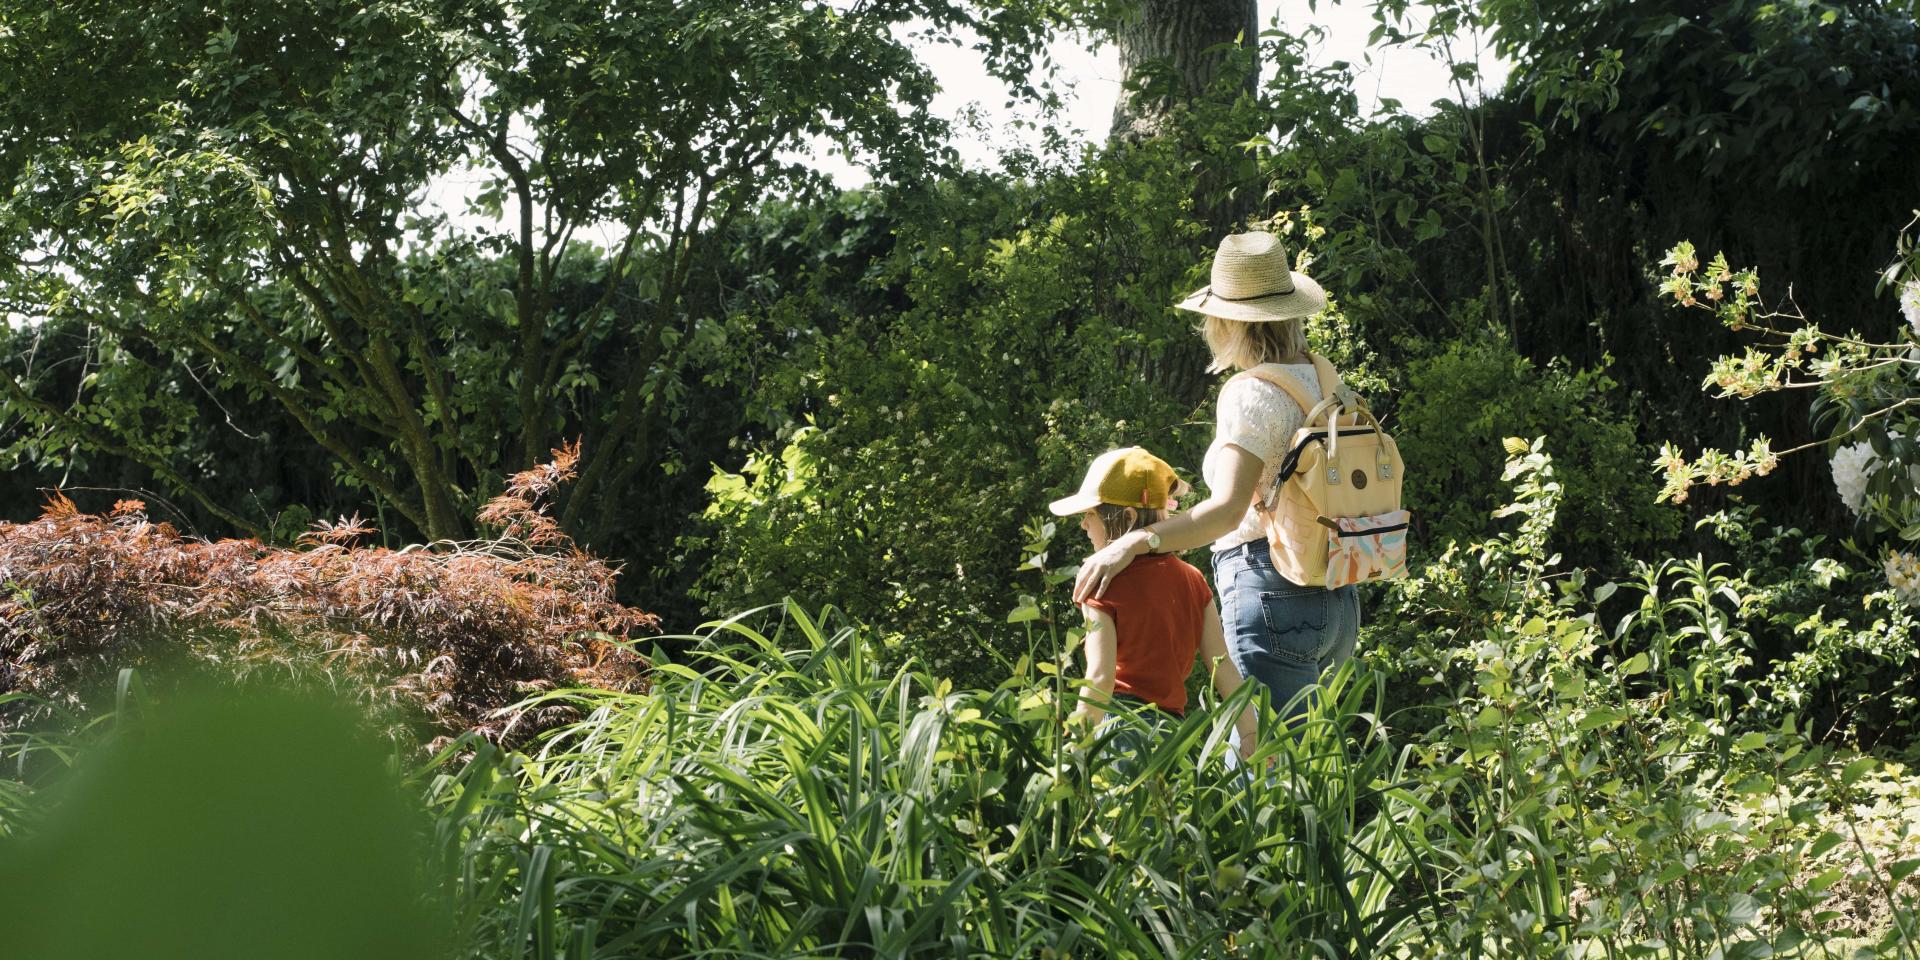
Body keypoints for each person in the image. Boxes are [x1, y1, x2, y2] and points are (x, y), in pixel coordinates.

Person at [1072, 232, 1362, 733]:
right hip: (1338, 591)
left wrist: (1133, 545)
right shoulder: (1326, 379)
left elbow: (1227, 510)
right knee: (1316, 769)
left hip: (1272, 587)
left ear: (1228, 321)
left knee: (1264, 773)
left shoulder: (1251, 392)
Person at [1049, 447, 1257, 770]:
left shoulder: (1101, 583)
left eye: (1090, 514)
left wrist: (1074, 745)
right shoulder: (1193, 580)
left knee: (1120, 820)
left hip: (1120, 732)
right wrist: (1249, 731)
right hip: (1174, 735)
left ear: (1127, 518)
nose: (1083, 525)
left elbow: (1101, 678)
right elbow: (1222, 664)